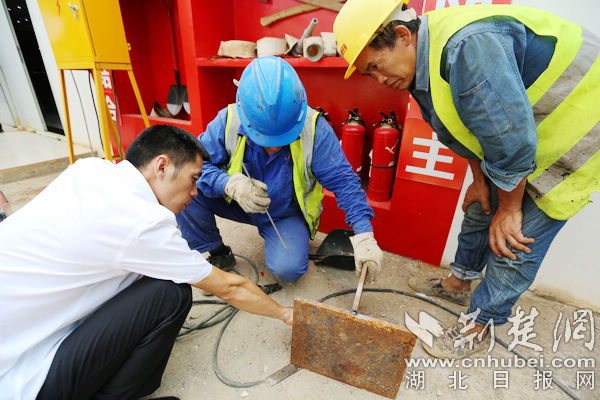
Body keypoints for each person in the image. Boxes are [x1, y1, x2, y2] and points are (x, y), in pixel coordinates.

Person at [334, 0, 600, 359]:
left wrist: (509, 209)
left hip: (581, 125)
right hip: (525, 131)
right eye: (370, 74)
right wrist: (480, 180)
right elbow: (465, 130)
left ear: (402, 35)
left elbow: (512, 140)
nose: (380, 80)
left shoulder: (468, 48)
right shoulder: (419, 65)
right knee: (481, 206)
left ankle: (480, 323)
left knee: (515, 239)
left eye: (376, 66)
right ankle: (459, 282)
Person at [0, 125, 293, 400]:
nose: (195, 192)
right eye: (192, 179)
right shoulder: (143, 223)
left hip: (13, 341)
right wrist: (286, 315)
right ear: (161, 166)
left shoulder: (89, 168)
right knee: (170, 293)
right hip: (23, 382)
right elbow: (230, 287)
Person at [176, 56, 383, 283]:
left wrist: (364, 235)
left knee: (288, 270)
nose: (274, 146)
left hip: (284, 213)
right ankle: (218, 253)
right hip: (236, 201)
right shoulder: (228, 120)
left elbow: (344, 182)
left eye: (283, 136)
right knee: (184, 186)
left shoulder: (315, 130)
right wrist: (228, 184)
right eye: (264, 137)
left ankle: (281, 239)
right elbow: (193, 165)